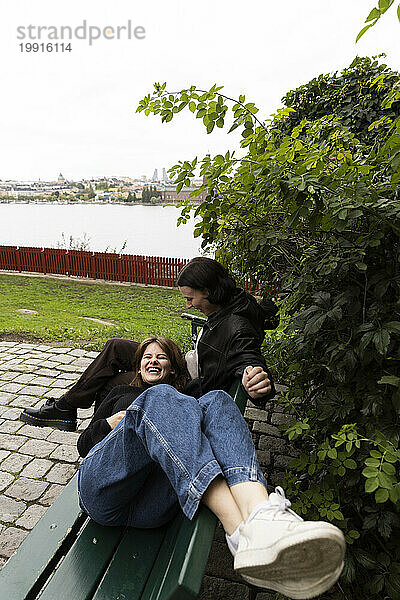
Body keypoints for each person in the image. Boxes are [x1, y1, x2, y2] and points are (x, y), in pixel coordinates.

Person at [77, 335, 345, 599]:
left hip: (155, 501)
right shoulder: (120, 393)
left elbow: (230, 365)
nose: (153, 361)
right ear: (138, 367)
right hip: (105, 490)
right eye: (147, 357)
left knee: (217, 399)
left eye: (161, 357)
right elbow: (84, 446)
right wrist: (108, 425)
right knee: (159, 397)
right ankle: (246, 528)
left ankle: (251, 527)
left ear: (173, 367)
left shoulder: (188, 394)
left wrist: (254, 379)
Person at [21, 257, 277, 431]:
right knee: (116, 347)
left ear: (208, 291)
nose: (188, 305)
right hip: (188, 363)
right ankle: (66, 408)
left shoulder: (237, 325)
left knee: (111, 384)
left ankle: (84, 430)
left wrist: (257, 379)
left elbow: (248, 357)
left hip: (186, 384)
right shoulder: (235, 300)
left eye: (190, 298)